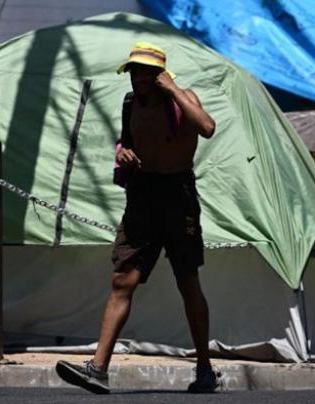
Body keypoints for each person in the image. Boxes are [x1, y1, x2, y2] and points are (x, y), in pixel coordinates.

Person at [55, 42, 219, 394]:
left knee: (187, 281)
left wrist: (173, 89)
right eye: (133, 71)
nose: (137, 79)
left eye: (145, 72)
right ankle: (97, 369)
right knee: (122, 280)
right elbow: (128, 140)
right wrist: (123, 153)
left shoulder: (182, 97)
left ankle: (204, 368)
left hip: (178, 197)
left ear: (160, 74)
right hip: (142, 198)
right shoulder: (131, 103)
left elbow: (207, 127)